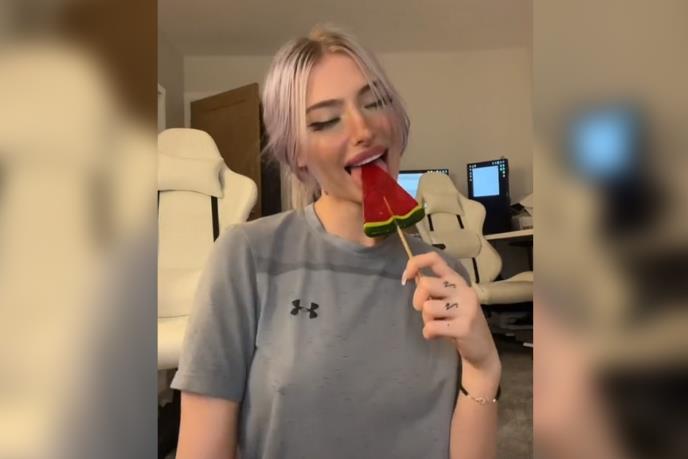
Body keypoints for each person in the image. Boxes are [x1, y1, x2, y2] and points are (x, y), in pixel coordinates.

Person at [171, 25, 501, 459]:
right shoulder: (247, 257)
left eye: (375, 102)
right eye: (326, 120)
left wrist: (483, 366)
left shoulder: (446, 277)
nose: (363, 129)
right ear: (297, 153)